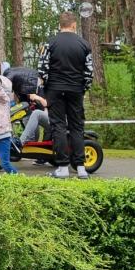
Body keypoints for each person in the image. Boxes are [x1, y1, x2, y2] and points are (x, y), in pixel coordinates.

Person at [38, 12, 94, 179]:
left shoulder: (50, 43)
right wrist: (83, 89)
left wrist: (45, 89)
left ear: (60, 25)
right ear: (74, 25)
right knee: (77, 126)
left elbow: (42, 68)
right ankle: (81, 168)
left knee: (58, 126)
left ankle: (62, 167)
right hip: (76, 89)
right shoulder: (84, 44)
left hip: (55, 89)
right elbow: (89, 72)